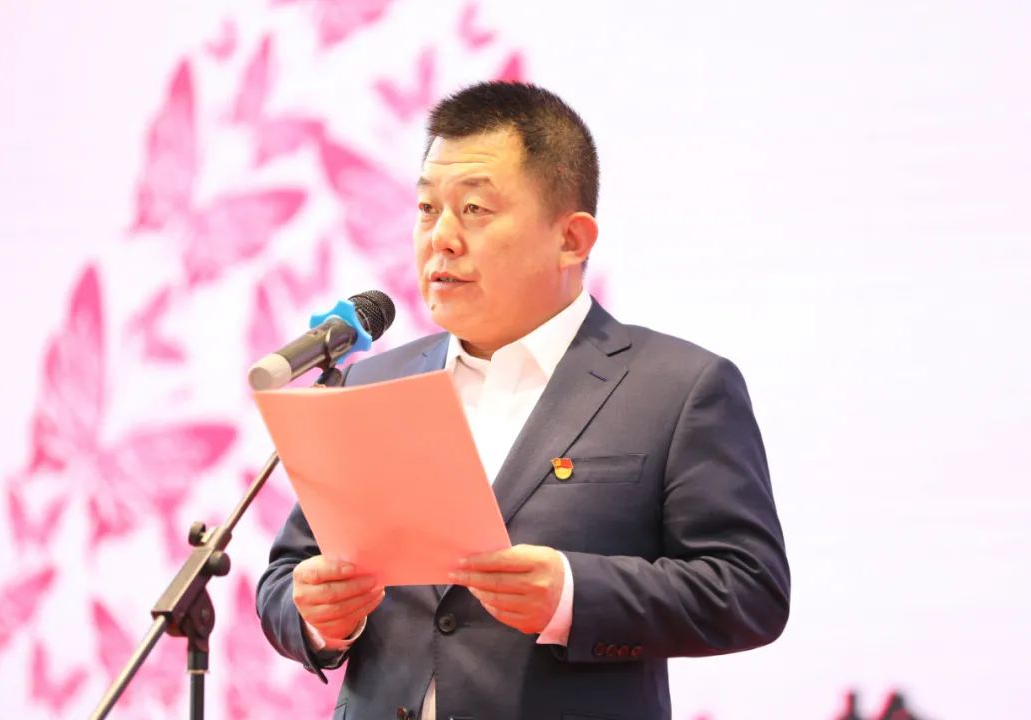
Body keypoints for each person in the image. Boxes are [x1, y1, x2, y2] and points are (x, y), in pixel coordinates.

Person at [257, 81, 790, 720]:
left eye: (474, 209)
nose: (441, 238)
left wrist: (573, 594)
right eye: (427, 208)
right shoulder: (372, 383)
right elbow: (288, 574)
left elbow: (750, 589)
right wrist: (316, 616)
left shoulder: (678, 389)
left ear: (572, 239)